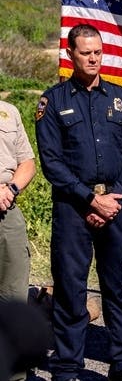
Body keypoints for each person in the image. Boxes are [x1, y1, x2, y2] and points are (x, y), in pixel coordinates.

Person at [35, 23, 122, 381]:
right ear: (71, 55)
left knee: (115, 285)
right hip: (73, 206)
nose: (94, 58)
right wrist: (90, 200)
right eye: (86, 52)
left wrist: (113, 198)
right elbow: (51, 162)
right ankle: (68, 366)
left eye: (98, 51)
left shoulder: (121, 98)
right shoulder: (53, 101)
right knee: (70, 287)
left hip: (116, 203)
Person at [0, 99, 37, 302]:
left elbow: (28, 163)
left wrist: (11, 189)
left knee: (13, 294)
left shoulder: (9, 112)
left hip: (7, 208)